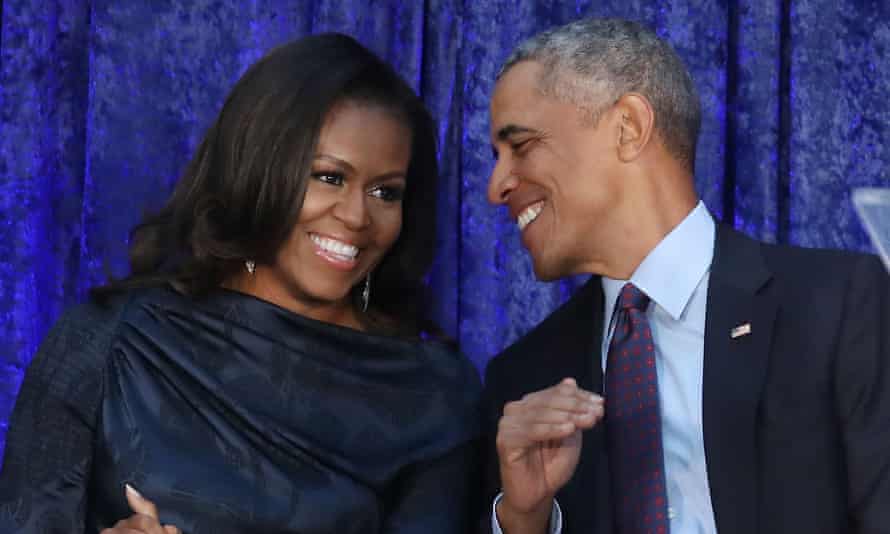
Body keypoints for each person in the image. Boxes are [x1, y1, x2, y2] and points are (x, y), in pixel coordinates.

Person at [0, 33, 481, 534]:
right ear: (256, 170)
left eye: (385, 192)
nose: (358, 216)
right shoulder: (107, 341)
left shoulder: (433, 396)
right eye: (329, 177)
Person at [481, 17, 890, 534]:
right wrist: (524, 518)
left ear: (628, 127)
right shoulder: (523, 379)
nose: (496, 186)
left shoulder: (838, 307)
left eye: (521, 146)